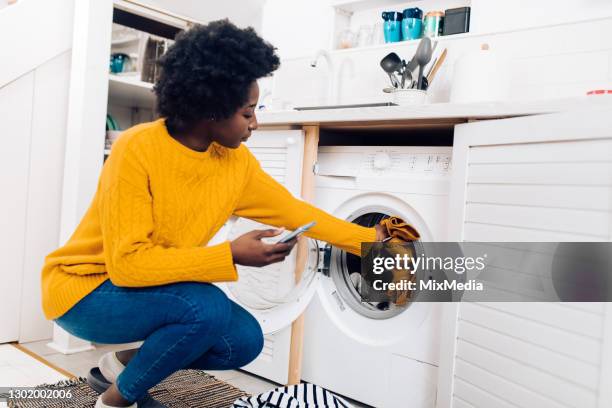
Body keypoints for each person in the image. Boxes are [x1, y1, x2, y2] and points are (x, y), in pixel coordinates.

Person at [42, 20, 388, 408]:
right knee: (204, 307)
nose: (255, 123)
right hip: (86, 291)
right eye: (247, 112)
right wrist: (232, 254)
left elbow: (294, 211)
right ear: (210, 109)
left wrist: (372, 241)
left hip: (143, 291)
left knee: (242, 341)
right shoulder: (138, 148)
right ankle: (116, 401)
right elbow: (128, 266)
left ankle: (122, 367)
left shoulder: (234, 163)